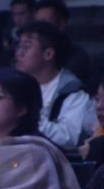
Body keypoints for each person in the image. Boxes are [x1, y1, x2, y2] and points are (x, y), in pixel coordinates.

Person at [14, 21, 93, 152]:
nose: (19, 53)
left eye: (26, 47)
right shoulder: (14, 85)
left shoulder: (71, 91)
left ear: (48, 54)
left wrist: (31, 117)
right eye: (18, 47)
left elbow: (69, 139)